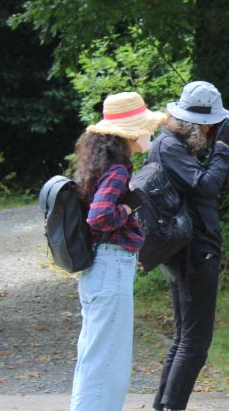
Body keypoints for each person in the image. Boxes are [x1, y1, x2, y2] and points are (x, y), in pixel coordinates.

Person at [149, 81, 229, 411]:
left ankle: (163, 406)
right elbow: (207, 185)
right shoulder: (170, 147)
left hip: (185, 249)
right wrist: (223, 147)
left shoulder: (171, 143)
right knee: (195, 342)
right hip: (193, 252)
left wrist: (217, 143)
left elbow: (193, 183)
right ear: (201, 123)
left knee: (183, 338)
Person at [69, 92, 167, 411]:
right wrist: (127, 208)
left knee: (94, 360)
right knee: (107, 365)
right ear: (131, 132)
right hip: (111, 267)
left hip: (98, 269)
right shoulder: (118, 170)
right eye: (145, 125)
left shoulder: (103, 166)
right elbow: (99, 217)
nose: (149, 131)